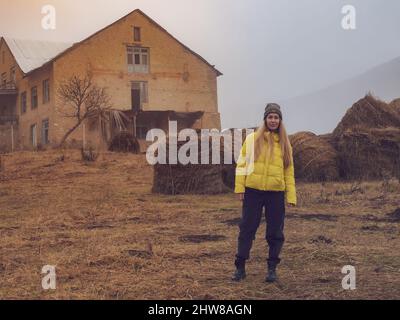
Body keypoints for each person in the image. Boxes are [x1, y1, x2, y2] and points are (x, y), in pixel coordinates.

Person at [232, 103, 296, 283]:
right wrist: (240, 188)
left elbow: (289, 171)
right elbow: (242, 163)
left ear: (280, 121)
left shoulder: (285, 143)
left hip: (275, 194)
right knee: (247, 228)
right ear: (265, 119)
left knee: (275, 231)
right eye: (270, 117)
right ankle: (240, 267)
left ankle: (272, 269)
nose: (273, 120)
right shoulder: (252, 139)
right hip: (253, 192)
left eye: (276, 117)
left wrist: (290, 196)